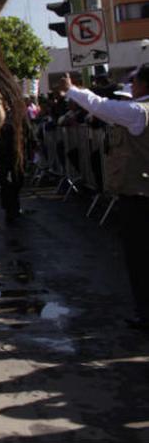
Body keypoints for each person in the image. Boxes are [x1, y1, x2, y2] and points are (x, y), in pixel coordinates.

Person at [58, 65, 149, 332]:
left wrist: (71, 90)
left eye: (135, 83)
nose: (131, 88)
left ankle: (145, 313)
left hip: (139, 196)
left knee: (140, 259)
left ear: (143, 85)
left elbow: (100, 106)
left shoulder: (137, 112)